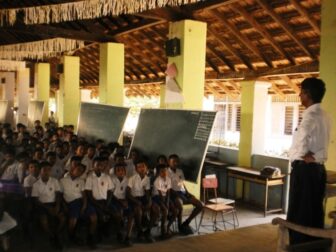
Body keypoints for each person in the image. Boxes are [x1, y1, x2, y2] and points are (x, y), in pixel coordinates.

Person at [288, 77, 331, 245]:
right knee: (313, 212)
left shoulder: (310, 116)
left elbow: (301, 143)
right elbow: (322, 144)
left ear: (308, 94)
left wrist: (302, 155)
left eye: (302, 92)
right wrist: (313, 155)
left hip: (305, 170)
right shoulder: (325, 116)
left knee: (300, 213)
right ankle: (314, 246)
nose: (299, 95)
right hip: (318, 169)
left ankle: (299, 246)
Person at [60, 163, 97, 249]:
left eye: (82, 171)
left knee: (94, 217)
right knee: (73, 221)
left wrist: (84, 205)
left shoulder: (81, 181)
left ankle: (90, 237)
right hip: (71, 202)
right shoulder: (63, 180)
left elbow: (84, 195)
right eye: (78, 169)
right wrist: (64, 205)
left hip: (81, 201)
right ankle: (71, 236)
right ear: (72, 169)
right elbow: (60, 195)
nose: (80, 172)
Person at [31, 161, 65, 249]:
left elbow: (58, 194)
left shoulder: (54, 181)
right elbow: (35, 200)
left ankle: (56, 233)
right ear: (40, 171)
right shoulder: (36, 184)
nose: (47, 172)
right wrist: (48, 208)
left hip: (53, 203)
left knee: (62, 218)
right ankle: (51, 236)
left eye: (49, 170)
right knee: (44, 221)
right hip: (42, 205)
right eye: (44, 170)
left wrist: (57, 206)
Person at [168, 154, 202, 235]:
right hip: (173, 194)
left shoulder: (180, 171)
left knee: (200, 205)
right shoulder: (166, 172)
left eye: (177, 161)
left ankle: (186, 222)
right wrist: (180, 196)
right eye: (173, 162)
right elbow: (168, 188)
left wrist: (188, 193)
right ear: (169, 162)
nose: (176, 163)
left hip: (183, 193)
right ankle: (179, 226)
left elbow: (182, 184)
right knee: (180, 206)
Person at [110, 163, 134, 246]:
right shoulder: (112, 179)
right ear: (115, 172)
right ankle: (119, 232)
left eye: (123, 170)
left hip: (124, 200)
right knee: (118, 214)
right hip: (114, 200)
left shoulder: (127, 179)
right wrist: (121, 202)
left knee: (131, 214)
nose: (121, 172)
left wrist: (126, 201)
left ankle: (128, 236)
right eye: (118, 170)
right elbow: (111, 195)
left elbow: (127, 192)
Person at [152, 164, 177, 238]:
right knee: (165, 211)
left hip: (165, 197)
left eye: (165, 171)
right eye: (162, 171)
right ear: (158, 173)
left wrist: (168, 202)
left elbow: (168, 192)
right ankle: (163, 231)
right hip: (157, 197)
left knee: (175, 211)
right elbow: (159, 194)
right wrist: (165, 204)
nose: (164, 173)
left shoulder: (168, 179)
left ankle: (168, 227)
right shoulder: (157, 180)